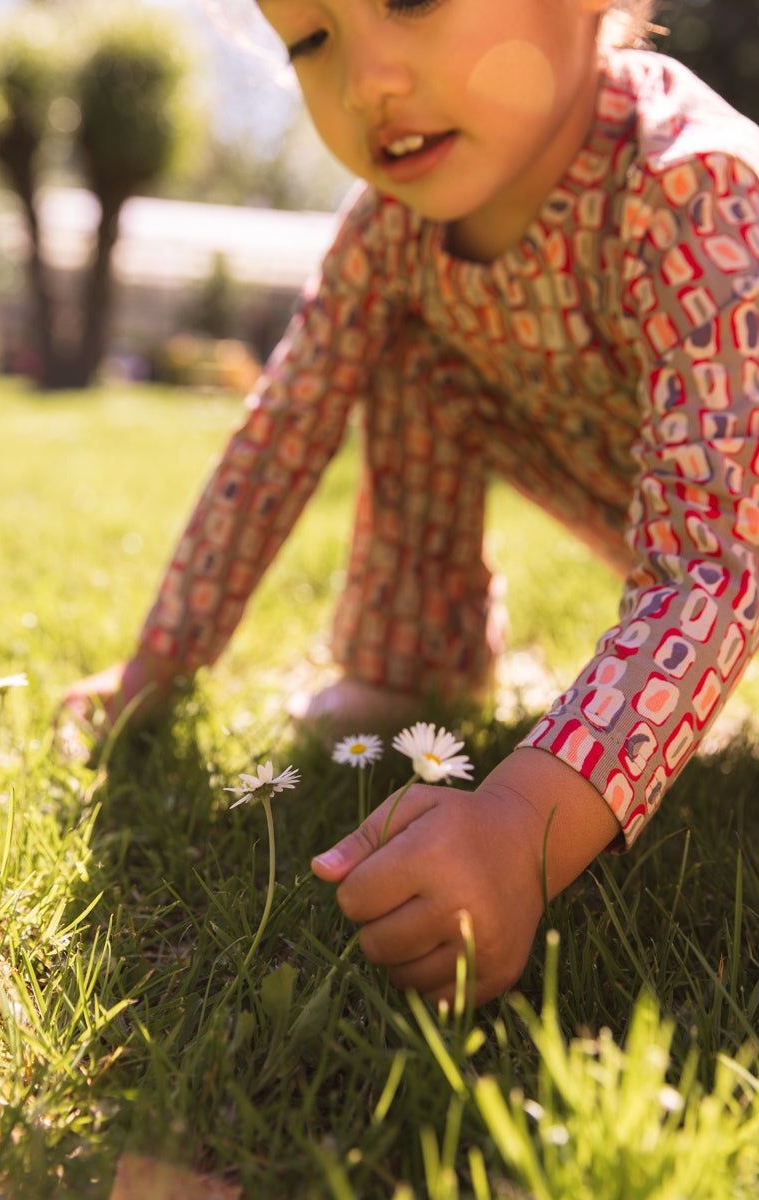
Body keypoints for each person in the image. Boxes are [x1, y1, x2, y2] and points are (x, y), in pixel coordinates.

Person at [62, 0, 759, 1005]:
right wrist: (158, 664)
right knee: (405, 329)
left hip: (734, 512)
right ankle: (412, 654)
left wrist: (521, 821)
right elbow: (280, 433)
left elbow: (715, 561)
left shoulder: (697, 185)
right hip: (678, 497)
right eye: (310, 39)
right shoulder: (395, 229)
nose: (363, 84)